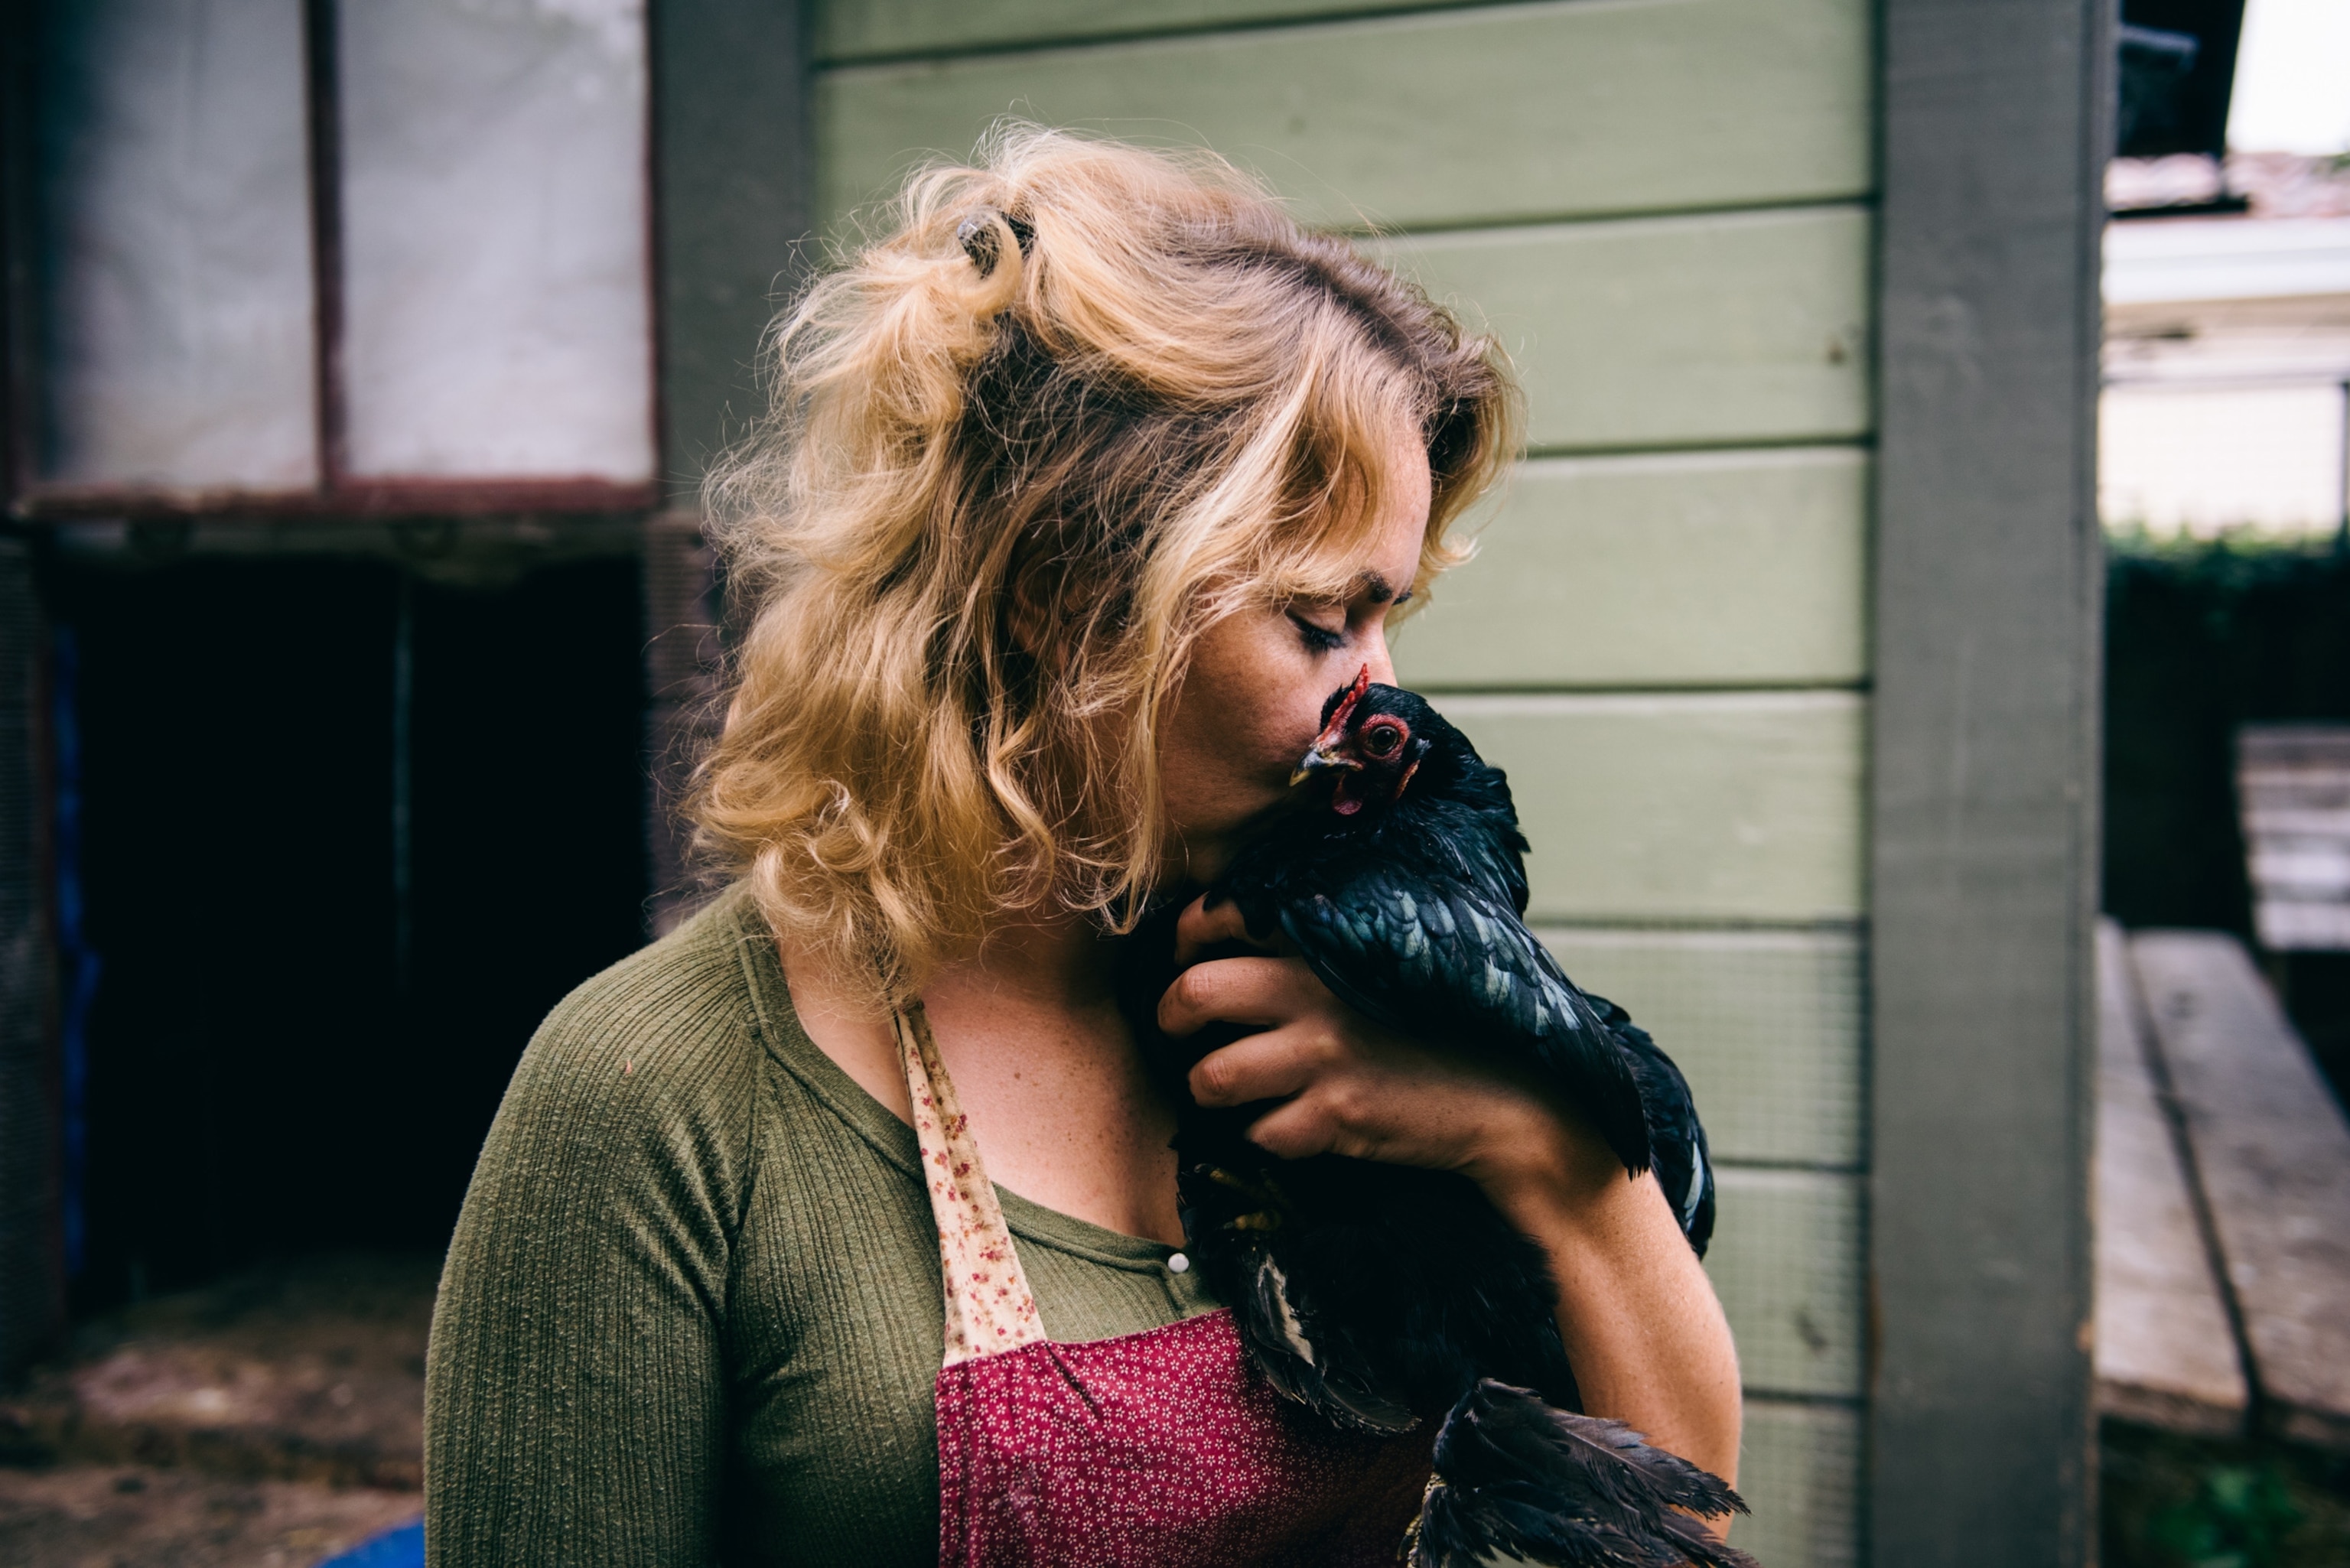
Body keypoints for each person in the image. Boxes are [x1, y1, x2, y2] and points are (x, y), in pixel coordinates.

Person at [424, 127, 1740, 1566]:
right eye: (1318, 621)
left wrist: (1546, 1155)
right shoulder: (662, 1103)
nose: (1380, 696)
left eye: (1390, 620)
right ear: (1068, 592)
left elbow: (1661, 1521)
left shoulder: (1363, 1013)